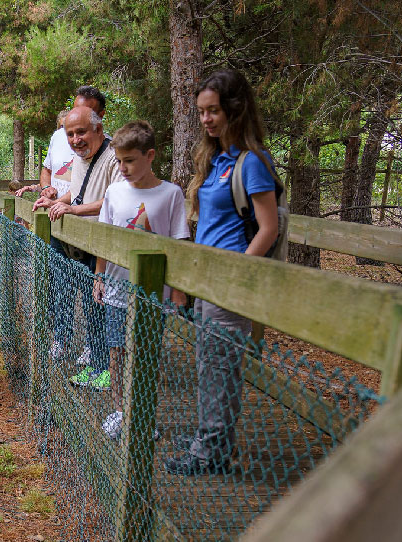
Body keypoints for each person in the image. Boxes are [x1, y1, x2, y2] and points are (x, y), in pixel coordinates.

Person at [162, 68, 281, 475]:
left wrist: (238, 275)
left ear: (235, 109)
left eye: (214, 111)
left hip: (230, 283)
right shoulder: (216, 160)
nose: (207, 120)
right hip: (207, 280)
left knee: (218, 368)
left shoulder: (252, 164)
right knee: (211, 365)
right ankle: (211, 444)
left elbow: (269, 228)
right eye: (201, 112)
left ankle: (210, 454)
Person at [63, 121, 189, 440]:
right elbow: (105, 239)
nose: (123, 168)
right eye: (119, 161)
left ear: (150, 156)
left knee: (145, 354)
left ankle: (143, 414)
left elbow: (179, 246)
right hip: (117, 290)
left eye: (130, 161)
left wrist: (178, 292)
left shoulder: (171, 194)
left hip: (152, 295)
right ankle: (120, 410)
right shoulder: (115, 192)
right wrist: (99, 276)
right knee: (117, 352)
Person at [32, 105, 123, 371]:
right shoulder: (81, 158)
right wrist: (55, 202)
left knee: (101, 308)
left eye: (81, 132)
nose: (75, 140)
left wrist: (72, 209)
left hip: (105, 247)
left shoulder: (114, 156)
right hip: (81, 243)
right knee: (88, 303)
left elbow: (115, 200)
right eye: (70, 134)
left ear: (98, 128)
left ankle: (106, 369)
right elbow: (76, 191)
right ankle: (97, 365)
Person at [16, 85, 108, 201]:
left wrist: (59, 205)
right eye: (75, 111)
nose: (76, 140)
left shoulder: (109, 150)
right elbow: (47, 170)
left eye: (86, 113)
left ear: (100, 116)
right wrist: (46, 188)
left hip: (82, 217)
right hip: (54, 215)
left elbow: (104, 197)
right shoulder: (58, 136)